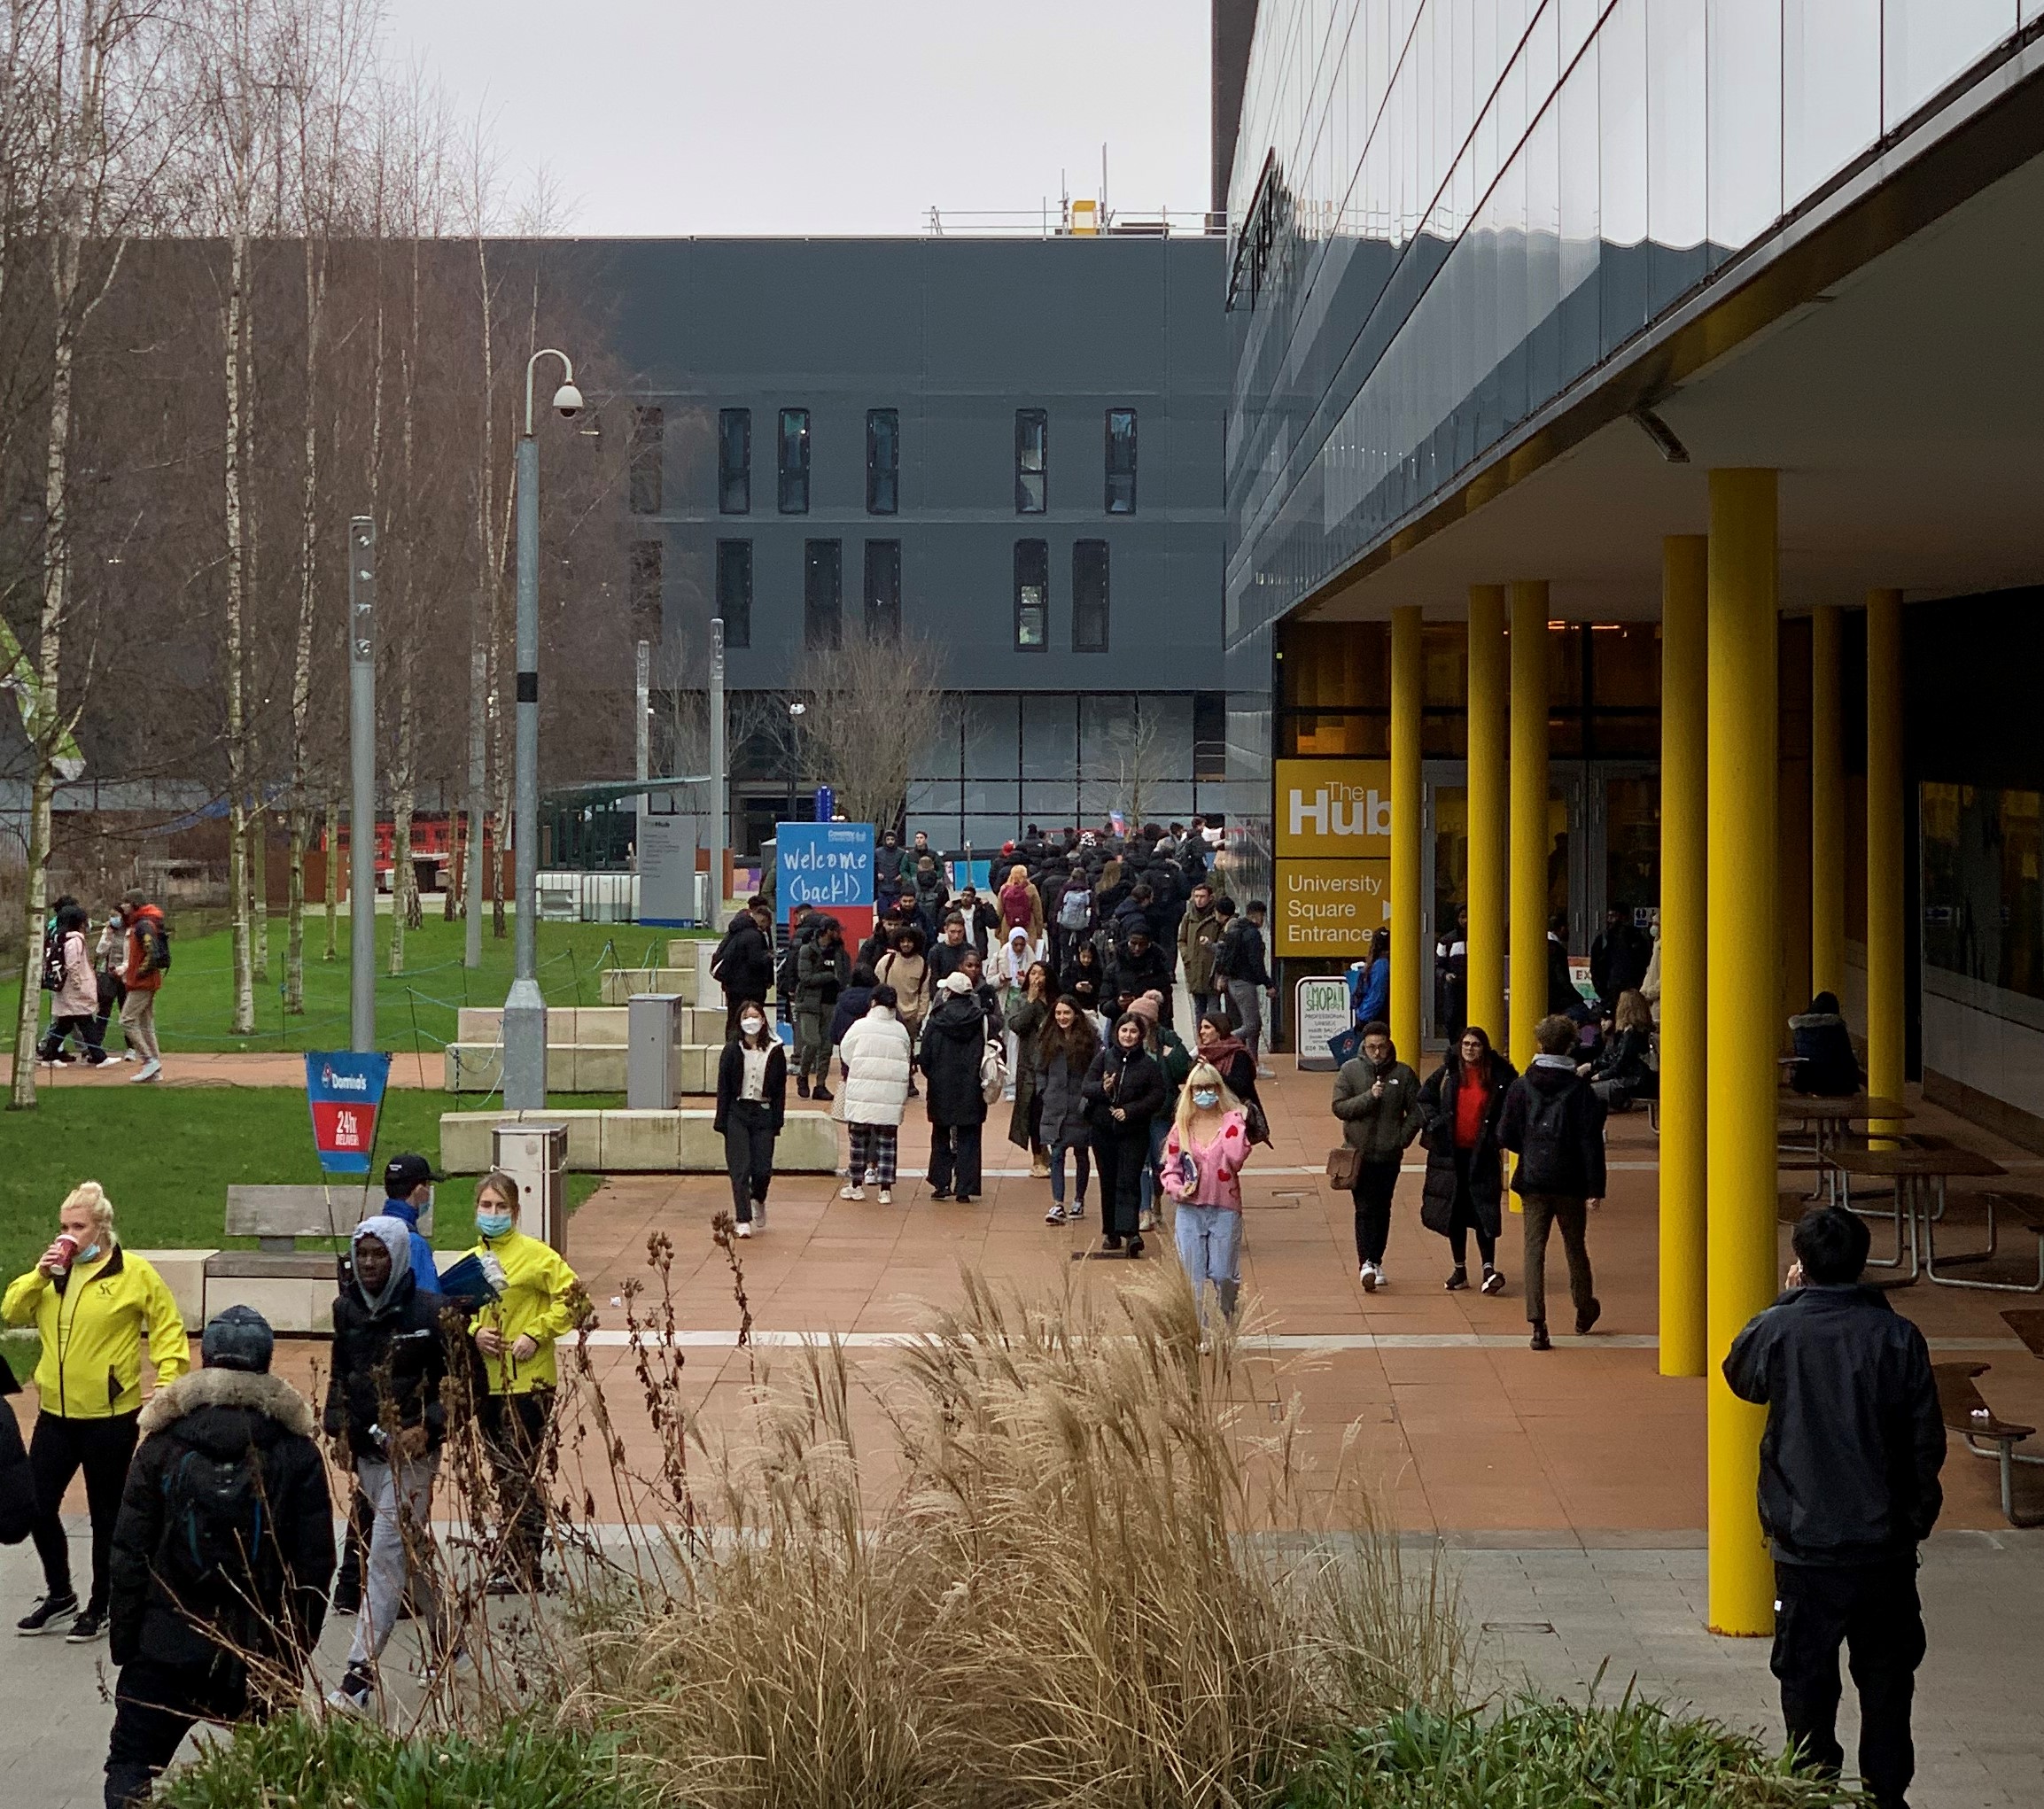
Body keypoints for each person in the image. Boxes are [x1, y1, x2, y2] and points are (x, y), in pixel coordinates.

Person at [1723, 1207, 1945, 1809]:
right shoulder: (1896, 1335)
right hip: (1884, 1551)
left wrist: (1786, 1302)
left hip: (1804, 1546)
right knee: (1887, 1684)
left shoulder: (1779, 1330)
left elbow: (1739, 1377)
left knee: (1804, 1684)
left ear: (1802, 1265)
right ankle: (1886, 1794)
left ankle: (1812, 1787)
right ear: (1861, 1260)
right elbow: (1926, 1441)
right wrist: (1913, 1520)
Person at [103, 1307, 332, 1809]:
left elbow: (127, 1553)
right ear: (267, 1364)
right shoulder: (296, 1450)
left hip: (163, 1649)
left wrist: (129, 1644)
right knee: (284, 1778)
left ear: (205, 1363)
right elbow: (315, 1567)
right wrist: (293, 1656)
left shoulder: (161, 1443)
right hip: (255, 1647)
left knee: (132, 1767)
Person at [6, 1183, 189, 1641]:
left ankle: (101, 1604)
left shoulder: (134, 1273)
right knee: (37, 1506)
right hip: (56, 1413)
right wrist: (40, 1275)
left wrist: (168, 1380)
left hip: (110, 1416)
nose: (67, 1234)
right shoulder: (53, 1276)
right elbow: (11, 1311)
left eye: (78, 1226)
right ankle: (60, 1594)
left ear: (101, 1228)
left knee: (106, 1514)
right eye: (64, 1226)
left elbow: (168, 1327)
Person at [323, 1217, 451, 1712]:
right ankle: (449, 1643)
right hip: (370, 1454)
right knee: (411, 1552)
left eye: (380, 1254)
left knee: (384, 1552)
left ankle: (359, 1675)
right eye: (363, 1254)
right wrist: (337, 1426)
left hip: (414, 1459)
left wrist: (429, 1429)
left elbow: (464, 1384)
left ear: (398, 1256)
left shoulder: (431, 1312)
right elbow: (340, 1373)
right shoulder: (346, 1309)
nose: (370, 1263)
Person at [466, 1171, 583, 1593]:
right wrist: (474, 1332)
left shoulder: (537, 1256)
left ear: (515, 1213)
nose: (492, 1214)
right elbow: (459, 1312)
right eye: (486, 1206)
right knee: (501, 1472)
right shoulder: (470, 1261)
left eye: (501, 1208)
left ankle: (523, 1564)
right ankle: (514, 1555)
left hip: (529, 1383)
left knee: (520, 1471)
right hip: (489, 1383)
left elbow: (576, 1298)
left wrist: (538, 1332)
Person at [1499, 1013, 1606, 1351]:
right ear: (1570, 1045)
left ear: (1540, 1042)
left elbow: (1505, 1133)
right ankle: (1584, 1308)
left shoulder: (1521, 1086)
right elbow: (1591, 1142)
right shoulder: (1579, 1090)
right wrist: (1594, 1187)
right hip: (1571, 1181)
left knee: (1534, 1250)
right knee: (1575, 1246)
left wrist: (1530, 1148)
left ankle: (1538, 1324)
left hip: (1533, 1179)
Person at [1417, 1026, 1518, 1294]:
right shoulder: (1448, 1074)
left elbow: (1513, 1107)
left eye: (1476, 1044)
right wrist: (1436, 1123)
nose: (1470, 1049)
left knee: (1485, 1210)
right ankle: (1459, 1269)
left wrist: (1499, 1136)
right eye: (1466, 1044)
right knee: (1455, 1212)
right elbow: (1424, 1099)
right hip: (1451, 1154)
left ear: (1484, 1048)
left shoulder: (1499, 1076)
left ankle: (1488, 1267)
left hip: (1482, 1153)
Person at [1331, 1021, 1425, 1292]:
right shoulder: (1350, 1071)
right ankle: (1365, 1263)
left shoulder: (1403, 1074)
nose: (1377, 1052)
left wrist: (1401, 1139)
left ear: (1389, 1045)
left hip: (1389, 1154)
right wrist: (1369, 1098)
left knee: (1383, 1208)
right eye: (1371, 1047)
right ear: (1364, 1046)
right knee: (1364, 1208)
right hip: (1357, 1155)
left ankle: (1376, 1258)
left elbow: (1417, 1111)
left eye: (1382, 1046)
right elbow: (1339, 1107)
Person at [1162, 1060, 1253, 1334]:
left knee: (1224, 1274)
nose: (1204, 1093)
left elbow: (1236, 1158)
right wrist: (1179, 1189)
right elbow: (1170, 1170)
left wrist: (1234, 1119)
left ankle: (1227, 1318)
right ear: (1189, 1092)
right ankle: (1199, 1330)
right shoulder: (1182, 1128)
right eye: (1198, 1088)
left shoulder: (1231, 1123)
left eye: (1210, 1087)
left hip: (1224, 1207)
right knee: (1193, 1276)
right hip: (1190, 1210)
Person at [1081, 1008, 1168, 1256]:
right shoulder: (1104, 1058)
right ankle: (1110, 1231)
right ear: (1117, 1032)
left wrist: (1131, 1111)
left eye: (1133, 1031)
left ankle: (1131, 1232)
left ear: (1140, 1035)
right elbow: (1087, 1086)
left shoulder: (1149, 1065)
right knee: (1108, 1180)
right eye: (1124, 1030)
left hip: (1133, 1131)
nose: (1128, 1035)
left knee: (1129, 1180)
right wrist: (1103, 1088)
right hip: (1103, 1130)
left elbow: (1157, 1096)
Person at [714, 1005, 787, 1237]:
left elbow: (780, 1090)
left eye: (755, 1016)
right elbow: (723, 1087)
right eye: (746, 1016)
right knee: (740, 1167)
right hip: (738, 1112)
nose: (751, 1020)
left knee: (762, 1168)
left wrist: (777, 1120)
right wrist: (722, 1119)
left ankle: (759, 1198)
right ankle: (743, 1218)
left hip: (763, 1112)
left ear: (764, 1020)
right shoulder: (732, 1050)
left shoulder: (775, 1051)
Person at [838, 984, 913, 1203]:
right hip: (890, 1095)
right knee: (887, 1141)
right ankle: (885, 1190)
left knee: (858, 1140)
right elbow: (906, 1057)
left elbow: (846, 1052)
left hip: (861, 1092)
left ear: (873, 1002)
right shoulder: (900, 1030)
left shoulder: (860, 1026)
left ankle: (856, 1186)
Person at [921, 970, 992, 1202]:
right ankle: (965, 1186)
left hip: (941, 1087)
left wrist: (933, 1076)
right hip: (972, 1086)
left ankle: (941, 1183)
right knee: (970, 1136)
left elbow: (926, 1057)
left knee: (941, 1134)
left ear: (949, 992)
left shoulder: (936, 1019)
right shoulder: (980, 1018)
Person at [1036, 996, 1099, 1224]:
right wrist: (1043, 1091)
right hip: (1055, 1103)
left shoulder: (1089, 1040)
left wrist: (1087, 1097)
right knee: (1057, 1153)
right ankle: (1058, 1203)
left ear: (1075, 1014)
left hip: (1080, 1104)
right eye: (1059, 1013)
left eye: (1067, 1013)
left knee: (1081, 1152)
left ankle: (1079, 1199)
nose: (1062, 1017)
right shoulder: (1047, 1039)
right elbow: (1040, 1068)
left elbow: (1095, 1069)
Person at [39, 900, 108, 1065]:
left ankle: (50, 1053)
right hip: (74, 989)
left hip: (67, 989)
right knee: (83, 1022)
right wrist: (79, 986)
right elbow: (73, 965)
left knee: (65, 1024)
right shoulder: (75, 941)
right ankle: (99, 1056)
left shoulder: (60, 938)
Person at [1005, 959, 1056, 1178]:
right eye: (1033, 973)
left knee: (1052, 1111)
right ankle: (1037, 1156)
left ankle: (1049, 1150)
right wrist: (1032, 1002)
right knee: (1033, 1112)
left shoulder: (1056, 1002)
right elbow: (1016, 1026)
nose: (1036, 978)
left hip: (1054, 1064)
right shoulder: (1021, 1000)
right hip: (1030, 1066)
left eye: (1041, 974)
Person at [794, 913, 849, 1101]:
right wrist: (829, 976)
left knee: (826, 1047)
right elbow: (806, 978)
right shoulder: (807, 950)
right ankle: (803, 1076)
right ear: (828, 931)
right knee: (812, 1042)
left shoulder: (839, 952)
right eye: (836, 931)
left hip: (831, 1002)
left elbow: (844, 976)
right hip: (809, 1003)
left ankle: (820, 1085)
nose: (839, 935)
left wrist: (841, 984)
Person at [118, 888, 168, 1083]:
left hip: (142, 982)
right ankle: (154, 1066)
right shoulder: (146, 922)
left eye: (126, 902)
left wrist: (138, 973)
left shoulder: (143, 925)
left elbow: (151, 952)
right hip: (147, 980)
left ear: (134, 904)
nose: (123, 906)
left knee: (127, 1020)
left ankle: (149, 1060)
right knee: (146, 1024)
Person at [1216, 898, 1273, 1067]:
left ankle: (1253, 1062)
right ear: (1257, 915)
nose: (1263, 921)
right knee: (1252, 1025)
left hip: (1235, 982)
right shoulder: (1251, 934)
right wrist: (1268, 984)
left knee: (1251, 1024)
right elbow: (1256, 963)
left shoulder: (1236, 929)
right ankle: (1220, 1044)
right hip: (1245, 983)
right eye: (1263, 916)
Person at [711, 897, 776, 1041]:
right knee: (749, 1017)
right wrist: (768, 956)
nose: (766, 928)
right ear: (762, 919)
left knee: (734, 1018)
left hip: (734, 985)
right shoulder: (754, 936)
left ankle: (731, 1045)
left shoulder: (738, 931)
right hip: (750, 987)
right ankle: (745, 1043)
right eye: (766, 924)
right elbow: (755, 961)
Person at [1581, 987, 1655, 1108]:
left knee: (1587, 1092)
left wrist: (1601, 1075)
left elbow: (1621, 1062)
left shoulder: (1631, 1034)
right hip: (1641, 1079)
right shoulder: (1642, 1030)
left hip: (1631, 1081)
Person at [1196, 1013, 1265, 1139]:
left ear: (1219, 1030)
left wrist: (1212, 1072)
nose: (1202, 1032)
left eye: (1207, 1027)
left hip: (1234, 1115)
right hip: (1210, 1115)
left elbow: (1240, 1086)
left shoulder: (1238, 1054)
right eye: (1201, 1027)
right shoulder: (1204, 1054)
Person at [377, 1153, 441, 1289]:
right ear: (419, 1190)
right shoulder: (414, 1243)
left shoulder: (368, 1232)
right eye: (428, 1185)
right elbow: (429, 1299)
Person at [1790, 991, 1863, 1097]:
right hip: (1836, 1079)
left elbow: (1798, 1052)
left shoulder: (1800, 1028)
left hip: (1806, 1078)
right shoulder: (1836, 1028)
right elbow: (1845, 1054)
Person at [1107, 925, 1174, 1028]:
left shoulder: (1159, 968)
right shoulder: (1114, 969)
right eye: (1134, 944)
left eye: (1142, 944)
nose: (1137, 948)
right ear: (1128, 942)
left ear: (1149, 945)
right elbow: (1104, 1004)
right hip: (1122, 1027)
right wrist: (1118, 1004)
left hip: (1151, 1027)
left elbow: (1167, 1010)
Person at [1589, 907, 1652, 1013]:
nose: (1609, 920)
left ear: (1624, 917)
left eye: (1613, 916)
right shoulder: (1603, 939)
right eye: (1608, 916)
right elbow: (1595, 967)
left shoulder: (1636, 938)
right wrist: (1602, 990)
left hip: (1631, 992)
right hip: (1610, 993)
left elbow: (1644, 963)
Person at [1177, 881, 1224, 1020]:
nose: (1199, 900)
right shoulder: (1189, 917)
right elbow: (1182, 940)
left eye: (1202, 896)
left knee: (1214, 1008)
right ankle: (1201, 1038)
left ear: (1210, 897)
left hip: (1211, 969)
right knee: (1199, 1008)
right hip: (1194, 968)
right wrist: (1187, 956)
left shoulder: (1216, 918)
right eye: (1196, 896)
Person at [93, 904, 131, 1059]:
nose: (113, 919)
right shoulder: (109, 931)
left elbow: (132, 956)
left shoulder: (130, 932)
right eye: (111, 915)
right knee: (104, 1010)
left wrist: (122, 968)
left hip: (124, 976)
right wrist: (107, 938)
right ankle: (95, 1046)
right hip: (108, 975)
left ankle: (132, 1047)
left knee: (126, 1011)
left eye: (115, 915)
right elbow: (100, 952)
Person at [1052, 858, 1095, 973]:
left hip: (1065, 928)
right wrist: (1091, 930)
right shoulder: (1088, 893)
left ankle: (1066, 980)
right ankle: (1082, 976)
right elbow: (1093, 913)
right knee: (1083, 955)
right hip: (1083, 929)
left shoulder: (1065, 890)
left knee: (1066, 957)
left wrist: (1056, 929)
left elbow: (1057, 909)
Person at [1353, 926, 1391, 1027]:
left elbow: (1376, 995)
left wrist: (1363, 1018)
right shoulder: (1385, 963)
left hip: (1374, 1018)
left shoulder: (1380, 965)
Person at [999, 862, 1044, 945]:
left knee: (1008, 952)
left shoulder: (1004, 889)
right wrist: (1039, 930)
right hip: (1028, 924)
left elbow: (1000, 910)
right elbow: (1037, 911)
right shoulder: (1031, 888)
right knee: (1028, 952)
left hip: (1008, 924)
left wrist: (998, 930)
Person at [1066, 938, 1107, 1021]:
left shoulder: (1097, 970)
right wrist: (1075, 987)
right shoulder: (1071, 968)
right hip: (1074, 1004)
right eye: (1084, 957)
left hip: (1090, 1006)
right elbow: (1064, 986)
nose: (1086, 960)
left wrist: (1092, 989)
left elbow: (1100, 989)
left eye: (1089, 957)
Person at [929, 911, 974, 984]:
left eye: (960, 932)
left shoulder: (970, 950)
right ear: (946, 929)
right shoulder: (936, 952)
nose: (956, 936)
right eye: (952, 932)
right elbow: (933, 980)